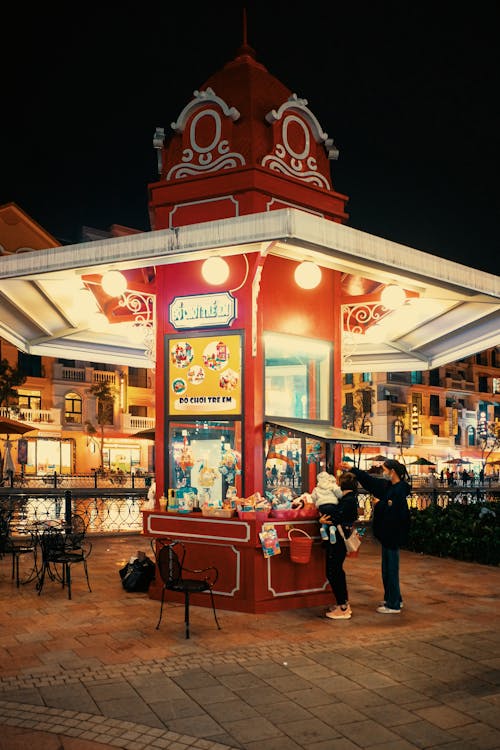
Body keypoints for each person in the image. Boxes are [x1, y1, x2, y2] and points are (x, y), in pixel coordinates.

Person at [340, 459, 411, 614]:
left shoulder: (398, 491)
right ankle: (394, 598)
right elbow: (370, 481)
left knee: (391, 569)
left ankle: (393, 604)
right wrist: (353, 469)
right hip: (387, 535)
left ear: (392, 471)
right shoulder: (389, 487)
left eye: (384, 469)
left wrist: (380, 504)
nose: (382, 472)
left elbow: (397, 513)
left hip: (392, 535)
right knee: (387, 569)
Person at [318, 472, 359, 620]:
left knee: (333, 571)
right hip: (339, 541)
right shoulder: (349, 499)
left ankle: (343, 607)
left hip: (338, 542)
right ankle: (342, 603)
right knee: (336, 571)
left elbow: (334, 517)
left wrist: (323, 520)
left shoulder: (347, 500)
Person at [311, 471, 343, 542]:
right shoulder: (332, 485)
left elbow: (313, 497)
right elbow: (339, 494)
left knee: (325, 519)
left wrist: (316, 503)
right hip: (332, 505)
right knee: (333, 520)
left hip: (322, 507)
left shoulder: (316, 488)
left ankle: (323, 529)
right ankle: (332, 529)